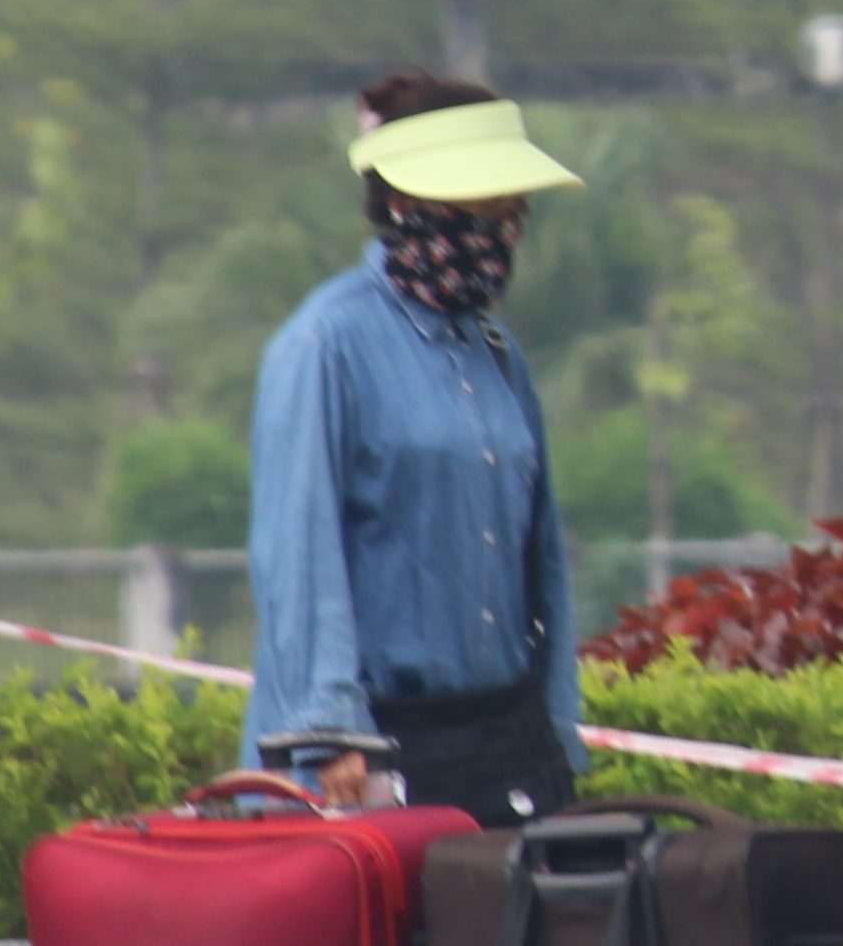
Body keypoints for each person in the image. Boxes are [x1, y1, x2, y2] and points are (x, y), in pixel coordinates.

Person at [245, 72, 587, 824]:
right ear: (406, 203)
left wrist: (558, 724)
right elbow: (299, 559)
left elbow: (544, 558)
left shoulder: (497, 355)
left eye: (512, 206)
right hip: (371, 755)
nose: (507, 224)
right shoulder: (324, 347)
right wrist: (331, 733)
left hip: (495, 740)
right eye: (485, 203)